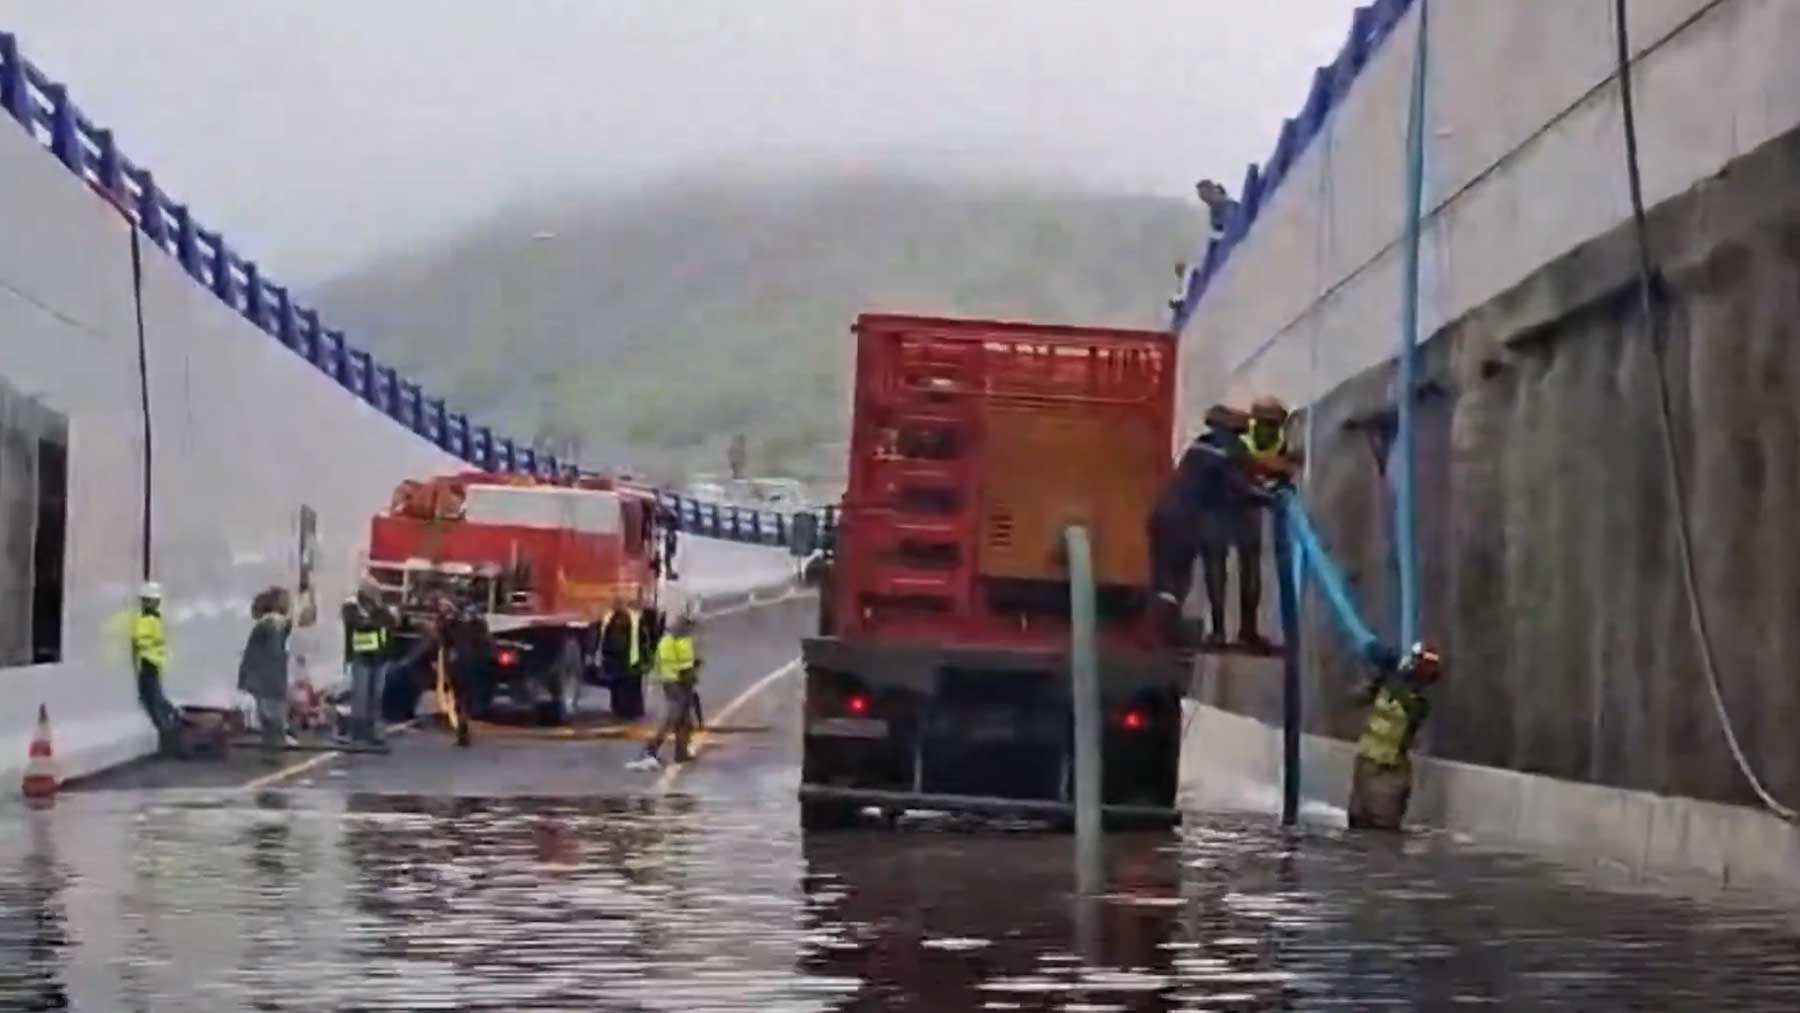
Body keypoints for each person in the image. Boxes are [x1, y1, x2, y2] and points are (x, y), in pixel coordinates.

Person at [1147, 404, 1259, 647]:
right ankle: (1169, 635)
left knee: (1166, 581)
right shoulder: (1228, 448)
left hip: (1164, 514)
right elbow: (1242, 487)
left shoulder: (1199, 445)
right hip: (1186, 520)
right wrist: (1270, 497)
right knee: (1184, 578)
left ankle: (1159, 635)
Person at [1228, 395, 1300, 649]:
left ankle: (1248, 630)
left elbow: (1286, 467)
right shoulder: (1242, 440)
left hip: (1255, 504)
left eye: (1273, 423)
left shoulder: (1281, 440)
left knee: (1251, 569)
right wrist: (1273, 467)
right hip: (1233, 503)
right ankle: (1238, 630)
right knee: (1239, 568)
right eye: (1264, 422)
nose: (1268, 428)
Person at [1348, 643, 1442, 830]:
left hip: (1389, 775)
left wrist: (1390, 678)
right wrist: (1375, 679)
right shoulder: (1388, 687)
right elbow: (1354, 699)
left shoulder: (1418, 705)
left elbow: (1408, 707)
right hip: (1365, 766)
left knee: (1383, 835)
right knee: (1356, 827)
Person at [626, 611, 700, 771]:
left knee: (684, 720)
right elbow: (679, 667)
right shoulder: (671, 642)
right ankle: (651, 750)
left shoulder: (679, 641)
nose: (689, 630)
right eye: (687, 626)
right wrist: (690, 674)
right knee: (673, 718)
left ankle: (681, 752)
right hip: (675, 684)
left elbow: (684, 663)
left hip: (680, 683)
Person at [239, 587, 298, 754]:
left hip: (259, 676)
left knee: (267, 714)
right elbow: (274, 655)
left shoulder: (265, 623)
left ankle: (271, 746)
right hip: (270, 678)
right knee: (273, 715)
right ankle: (275, 747)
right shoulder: (275, 624)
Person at [130, 581, 186, 756]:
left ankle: (171, 735)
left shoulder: (146, 620)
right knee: (156, 700)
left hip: (148, 664)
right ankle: (174, 721)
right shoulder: (156, 618)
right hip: (154, 664)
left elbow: (139, 642)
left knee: (153, 701)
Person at [341, 580, 396, 746]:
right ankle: (358, 732)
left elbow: (390, 622)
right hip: (361, 656)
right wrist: (375, 621)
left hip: (380, 657)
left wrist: (378, 614)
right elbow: (359, 624)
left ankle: (374, 732)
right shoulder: (351, 606)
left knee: (376, 695)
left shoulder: (379, 607)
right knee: (361, 695)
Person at [597, 596, 644, 719]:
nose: (616, 606)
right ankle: (620, 710)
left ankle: (632, 710)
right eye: (615, 603)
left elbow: (643, 637)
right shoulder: (608, 618)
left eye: (618, 603)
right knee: (617, 685)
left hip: (631, 656)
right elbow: (603, 635)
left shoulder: (634, 618)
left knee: (630, 685)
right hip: (614, 656)